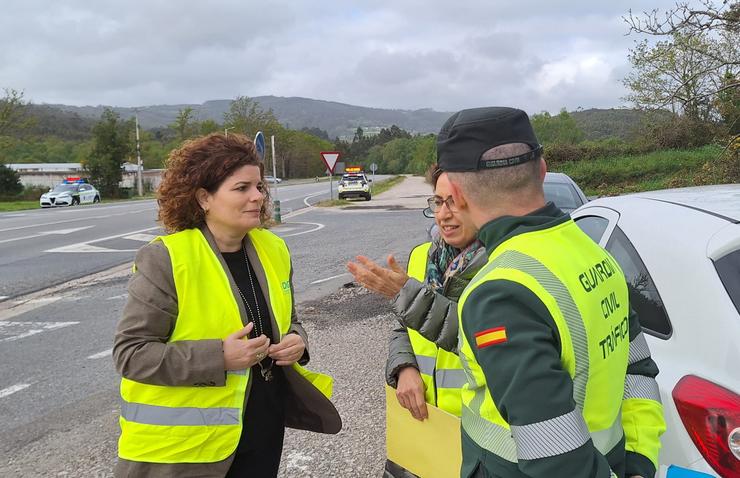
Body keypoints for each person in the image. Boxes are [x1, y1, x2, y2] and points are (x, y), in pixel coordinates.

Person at [430, 107, 665, 478]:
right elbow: (637, 370)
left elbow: (559, 461)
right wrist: (638, 463)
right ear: (542, 170)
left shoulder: (498, 292)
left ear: (456, 195)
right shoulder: (594, 254)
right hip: (621, 461)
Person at [112, 133, 341, 478]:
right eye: (242, 188)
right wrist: (219, 357)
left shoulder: (273, 248)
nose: (257, 197)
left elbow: (288, 319)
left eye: (260, 186)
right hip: (184, 451)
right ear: (204, 197)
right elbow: (131, 354)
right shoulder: (167, 258)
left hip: (262, 427)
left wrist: (297, 341)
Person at [348, 165, 487, 477]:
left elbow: (478, 340)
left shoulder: (501, 264)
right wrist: (403, 367)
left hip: (477, 438)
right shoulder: (423, 255)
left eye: (455, 202)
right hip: (421, 429)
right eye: (438, 202)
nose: (444, 215)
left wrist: (405, 294)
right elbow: (404, 325)